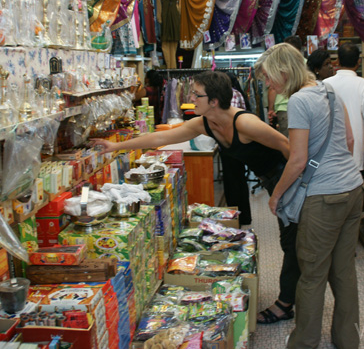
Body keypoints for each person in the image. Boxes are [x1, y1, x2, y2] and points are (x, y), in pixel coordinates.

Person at [92, 71, 296, 324]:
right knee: (291, 240)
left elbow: (288, 147)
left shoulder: (245, 122)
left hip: (289, 179)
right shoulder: (204, 123)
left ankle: (285, 304)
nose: (189, 98)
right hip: (272, 181)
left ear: (213, 101)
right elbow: (162, 137)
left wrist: (286, 190)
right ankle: (287, 300)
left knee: (292, 242)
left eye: (195, 94)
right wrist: (116, 147)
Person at [259, 43, 364, 349]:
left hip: (324, 199)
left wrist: (276, 195)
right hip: (352, 189)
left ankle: (303, 342)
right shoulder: (330, 92)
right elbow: (349, 139)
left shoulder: (298, 101)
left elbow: (298, 160)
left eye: (268, 77)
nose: (268, 85)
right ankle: (347, 340)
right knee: (343, 272)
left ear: (283, 70)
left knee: (312, 273)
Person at [324, 42, 364, 172]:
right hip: (354, 157)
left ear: (337, 61)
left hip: (327, 155)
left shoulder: (325, 84)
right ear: (358, 62)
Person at [220, 71, 254, 226]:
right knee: (239, 180)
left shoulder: (230, 94)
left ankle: (235, 219)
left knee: (232, 181)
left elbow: (228, 120)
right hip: (239, 142)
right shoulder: (238, 93)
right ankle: (244, 216)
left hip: (231, 143)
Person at [268, 36, 303, 135]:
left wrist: (271, 109)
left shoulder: (280, 65)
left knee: (288, 142)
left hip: (284, 108)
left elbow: (272, 88)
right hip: (302, 107)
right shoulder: (305, 63)